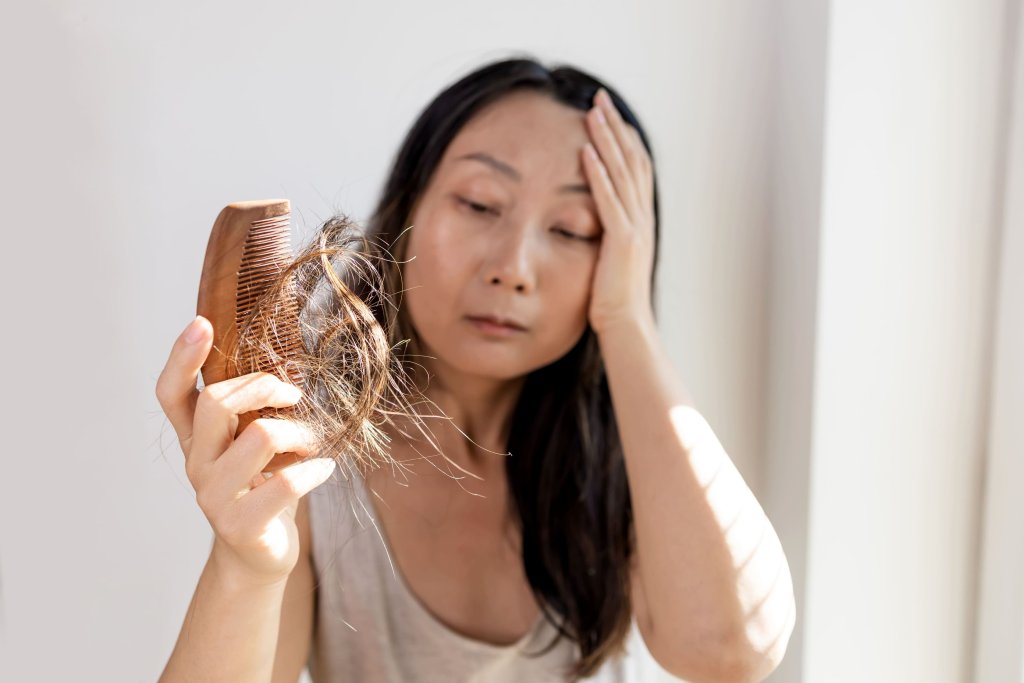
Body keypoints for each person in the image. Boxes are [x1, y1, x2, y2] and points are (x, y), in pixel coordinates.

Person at [156, 56, 795, 683]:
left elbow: (730, 653)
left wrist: (626, 319)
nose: (513, 266)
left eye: (573, 230)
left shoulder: (635, 457)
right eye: (481, 204)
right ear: (407, 208)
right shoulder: (307, 455)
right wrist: (248, 567)